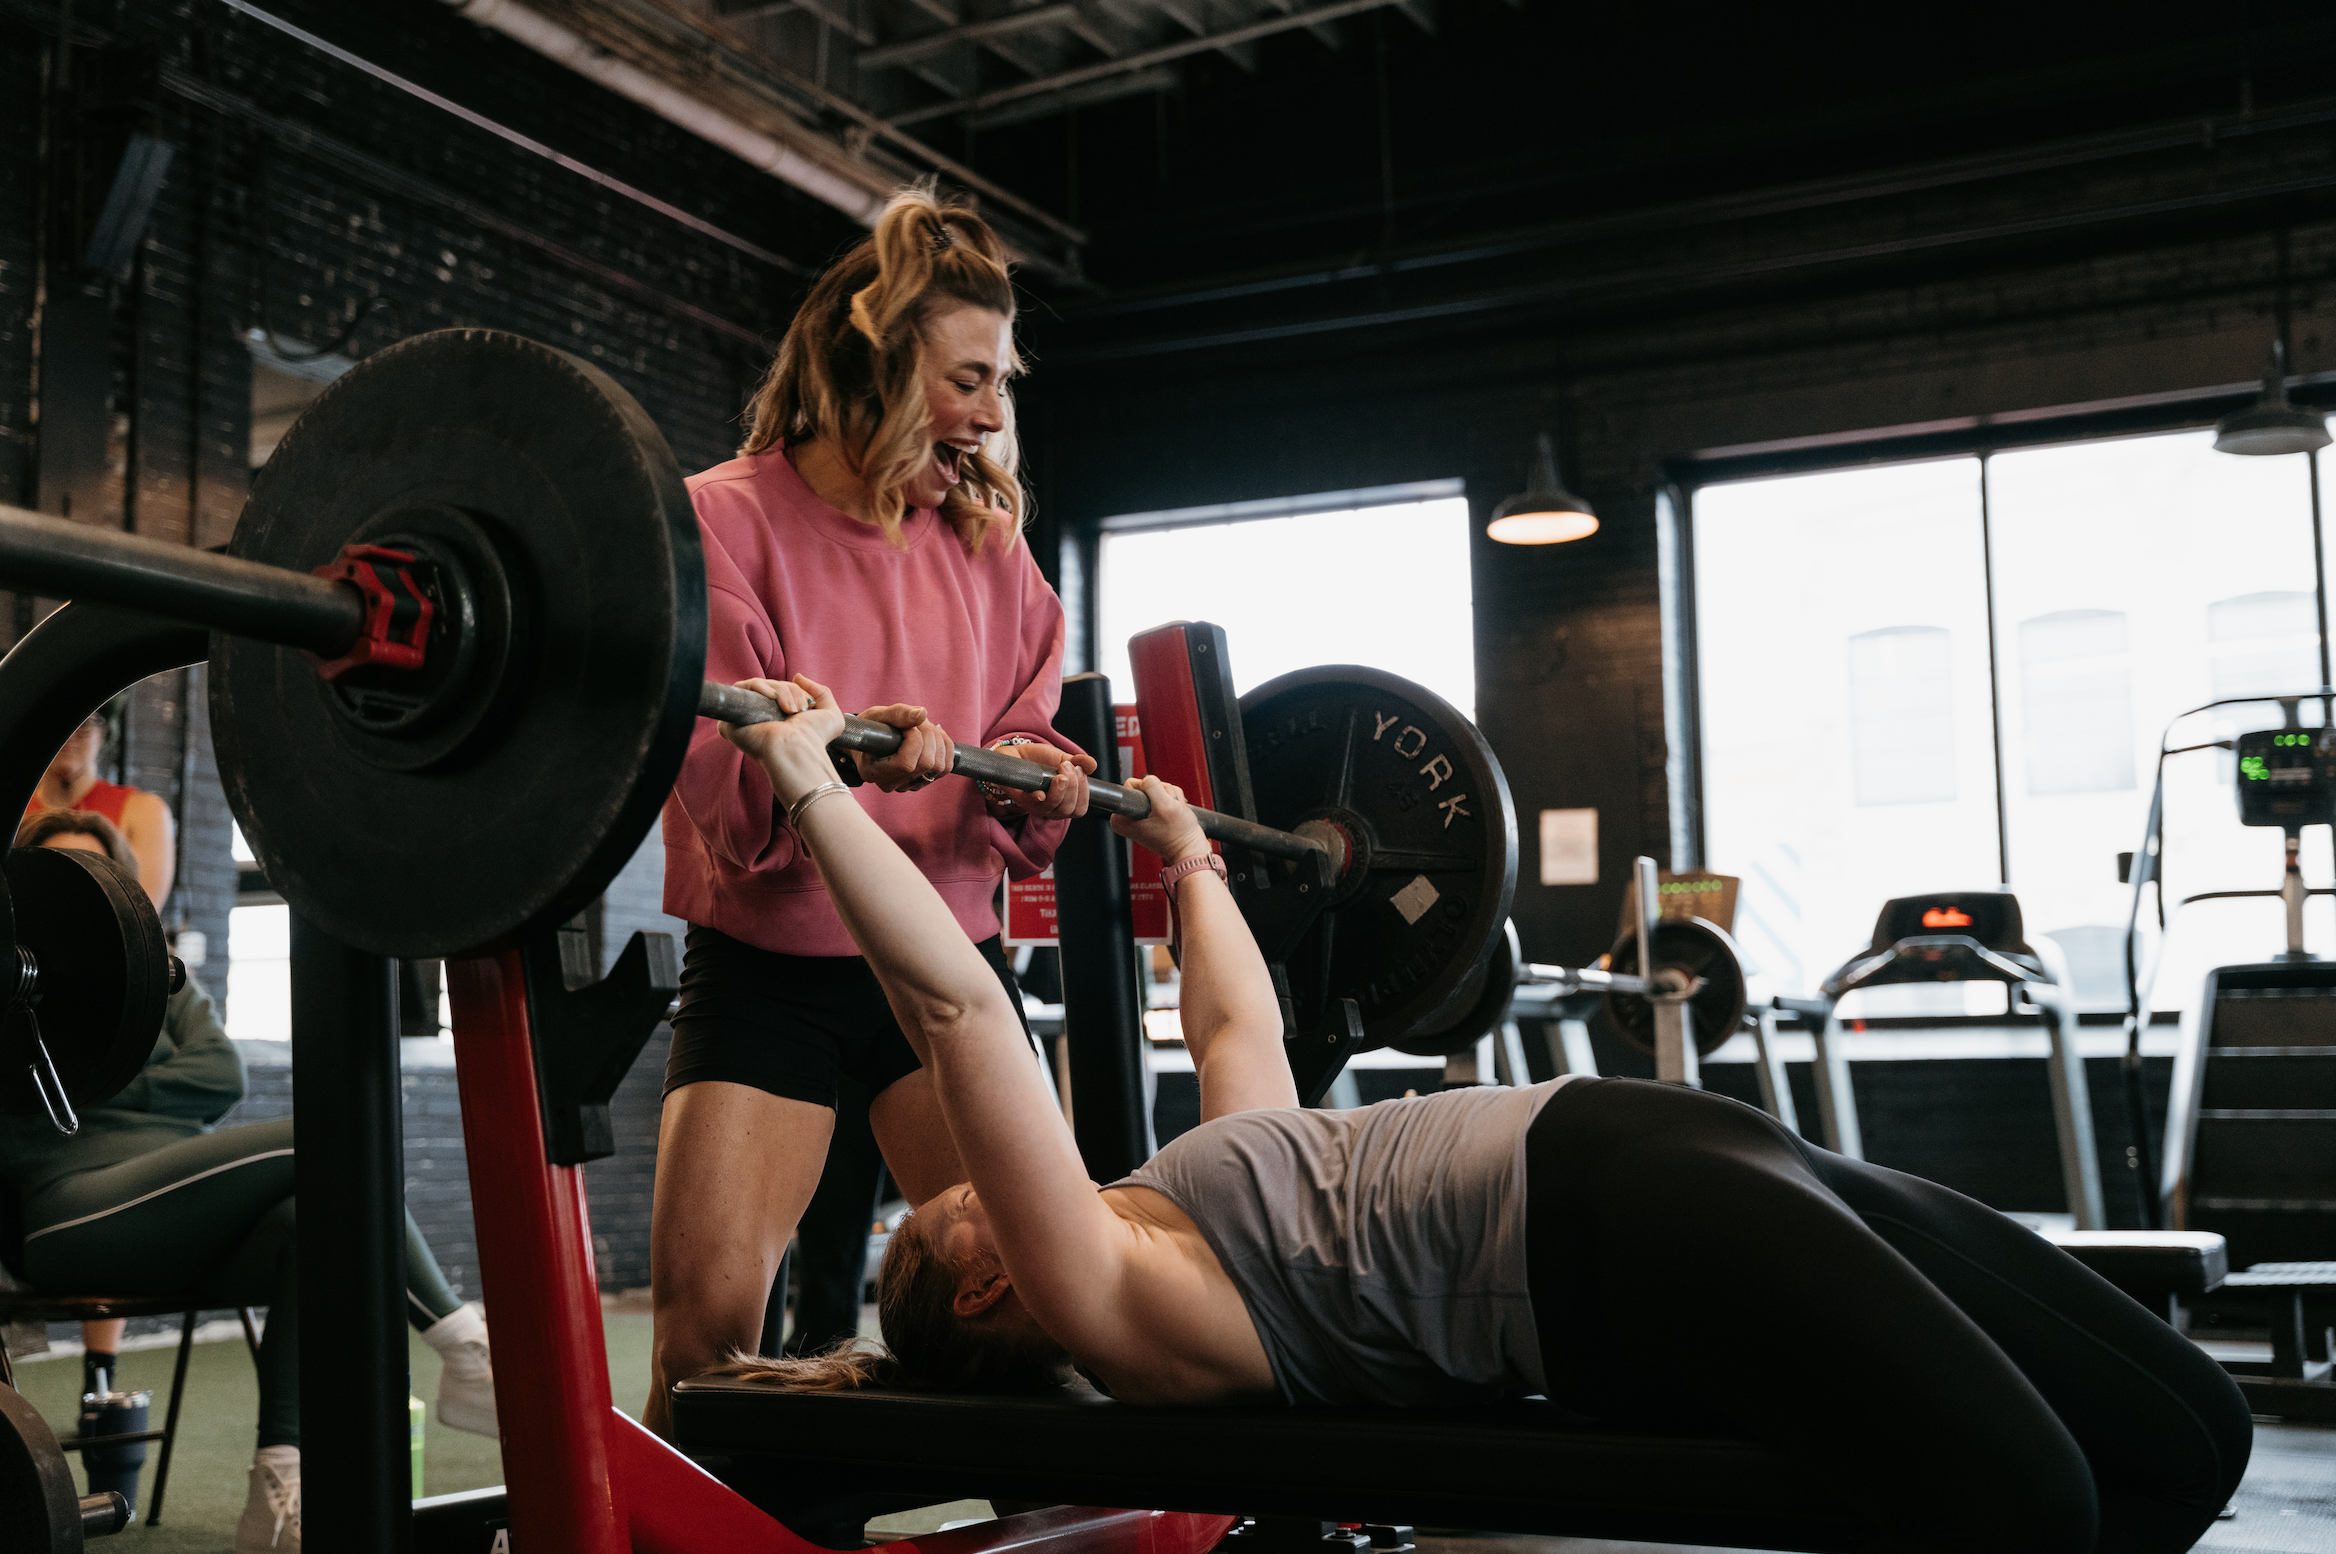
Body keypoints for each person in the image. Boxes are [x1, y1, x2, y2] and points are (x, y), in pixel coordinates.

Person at [702, 672, 2254, 1554]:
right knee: (2038, 1508)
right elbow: (960, 1011)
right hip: (1619, 1236)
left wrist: (1191, 854)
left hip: (1688, 1150)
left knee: (2193, 1442)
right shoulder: (1112, 1300)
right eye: (944, 1219)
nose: (958, 1184)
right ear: (991, 1283)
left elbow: (1237, 1027)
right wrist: (811, 784)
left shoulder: (1178, 1199)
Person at [647, 184, 1094, 1433]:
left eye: (1002, 383)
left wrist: (1032, 772)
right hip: (769, 974)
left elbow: (1024, 755)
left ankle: (1052, 1524)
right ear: (880, 366)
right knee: (698, 1351)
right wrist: (840, 759)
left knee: (1040, 1319)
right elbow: (730, 806)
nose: (993, 415)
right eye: (968, 380)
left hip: (947, 974)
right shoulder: (721, 518)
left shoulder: (990, 549)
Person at [0, 810, 499, 1554]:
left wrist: (90, 1089)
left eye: (97, 879)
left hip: (182, 1203)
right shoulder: (12, 990)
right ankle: (465, 1350)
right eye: (61, 879)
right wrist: (146, 1086)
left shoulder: (153, 977)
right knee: (331, 1138)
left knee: (308, 1221)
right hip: (70, 1210)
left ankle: (277, 1487)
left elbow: (221, 1073)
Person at [24, 705, 175, 910]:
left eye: (84, 724)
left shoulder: (144, 812)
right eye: (55, 722)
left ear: (103, 732)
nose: (69, 734)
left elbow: (138, 918)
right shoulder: (10, 813)